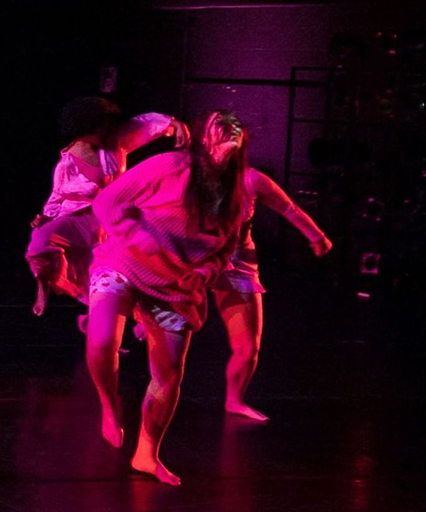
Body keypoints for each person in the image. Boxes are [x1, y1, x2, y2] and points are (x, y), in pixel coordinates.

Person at [84, 111, 268, 486]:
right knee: (102, 340)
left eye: (233, 139)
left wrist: (207, 271)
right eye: (219, 136)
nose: (224, 145)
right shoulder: (171, 165)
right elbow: (106, 204)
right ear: (204, 141)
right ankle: (108, 404)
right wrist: (143, 240)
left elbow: (226, 247)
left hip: (175, 285)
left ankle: (146, 454)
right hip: (124, 263)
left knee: (168, 375)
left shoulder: (233, 191)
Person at [27, 97, 187, 317]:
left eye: (105, 127)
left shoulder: (114, 142)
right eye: (99, 129)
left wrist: (173, 123)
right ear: (84, 130)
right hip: (82, 220)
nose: (104, 133)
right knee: (40, 239)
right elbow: (58, 196)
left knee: (113, 276)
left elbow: (144, 124)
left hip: (114, 220)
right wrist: (45, 217)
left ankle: (134, 322)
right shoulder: (68, 163)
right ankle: (45, 285)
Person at [211, 169, 331, 421]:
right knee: (169, 342)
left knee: (248, 347)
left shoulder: (251, 179)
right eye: (218, 133)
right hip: (195, 261)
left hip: (238, 266)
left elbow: (288, 209)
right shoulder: (190, 174)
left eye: (232, 136)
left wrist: (315, 235)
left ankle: (234, 400)